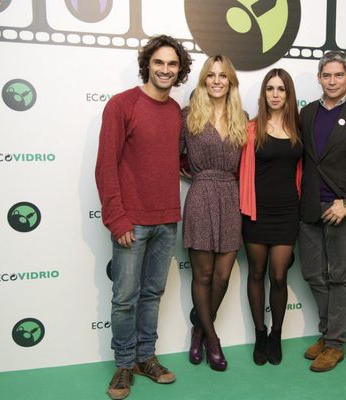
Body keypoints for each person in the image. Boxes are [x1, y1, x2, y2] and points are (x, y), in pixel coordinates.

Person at [95, 35, 192, 399]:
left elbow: (170, 159)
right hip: (131, 222)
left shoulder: (174, 113)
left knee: (152, 294)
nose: (165, 70)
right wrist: (117, 219)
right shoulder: (122, 106)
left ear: (179, 70)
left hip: (167, 219)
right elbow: (106, 166)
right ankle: (123, 364)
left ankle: (145, 357)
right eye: (159, 63)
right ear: (147, 65)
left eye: (172, 64)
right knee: (125, 298)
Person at [180, 55, 248, 371]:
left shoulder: (242, 118)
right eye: (211, 75)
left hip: (231, 198)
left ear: (231, 81)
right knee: (203, 275)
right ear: (204, 80)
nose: (217, 80)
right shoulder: (188, 115)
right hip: (201, 196)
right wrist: (192, 172)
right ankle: (213, 341)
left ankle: (199, 329)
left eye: (223, 75)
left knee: (222, 276)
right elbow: (170, 157)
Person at [239, 68, 302, 366]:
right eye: (270, 89)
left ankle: (277, 335)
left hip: (288, 212)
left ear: (288, 94)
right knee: (255, 273)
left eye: (281, 89)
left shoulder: (298, 128)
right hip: (256, 213)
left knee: (279, 276)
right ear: (263, 94)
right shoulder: (252, 128)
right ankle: (260, 334)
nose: (275, 94)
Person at [299, 50, 346, 372]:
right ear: (318, 78)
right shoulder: (308, 114)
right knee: (314, 274)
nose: (332, 80)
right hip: (310, 205)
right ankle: (327, 332)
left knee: (339, 277)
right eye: (327, 75)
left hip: (339, 206)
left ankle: (335, 343)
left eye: (339, 75)